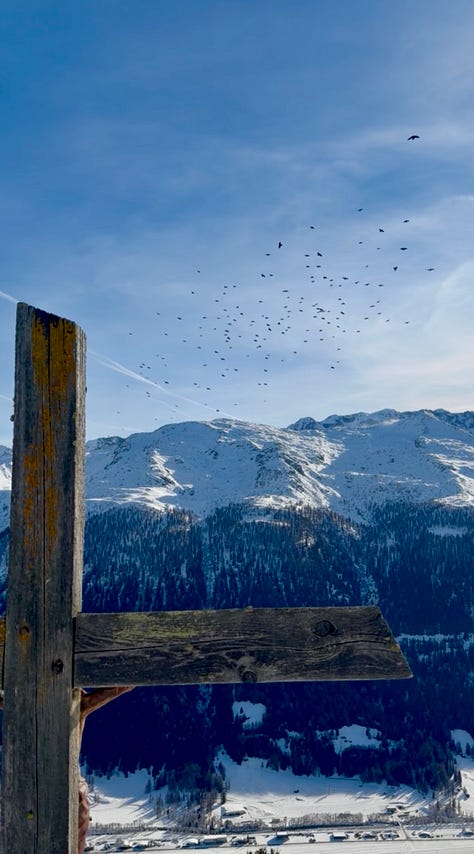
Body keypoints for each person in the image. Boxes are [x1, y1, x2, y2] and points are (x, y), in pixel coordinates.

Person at [0, 685, 134, 854]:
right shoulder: (71, 703)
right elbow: (120, 687)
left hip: (53, 788)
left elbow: (120, 687)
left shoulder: (31, 702)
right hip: (48, 787)